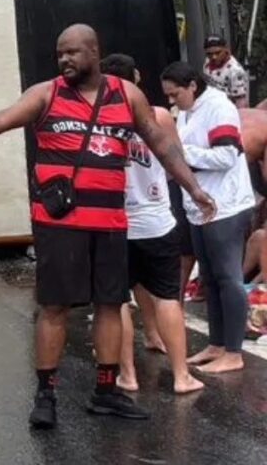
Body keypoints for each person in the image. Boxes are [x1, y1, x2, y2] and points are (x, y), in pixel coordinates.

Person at [0, 24, 214, 429]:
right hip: (61, 223)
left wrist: (193, 188)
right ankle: (45, 394)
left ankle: (106, 391)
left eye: (72, 52)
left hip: (111, 222)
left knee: (110, 304)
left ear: (94, 51)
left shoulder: (126, 94)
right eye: (59, 54)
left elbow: (161, 143)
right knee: (55, 307)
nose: (64, 59)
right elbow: (2, 119)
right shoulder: (46, 94)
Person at [99, 54, 204, 394]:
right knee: (167, 298)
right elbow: (176, 161)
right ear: (137, 77)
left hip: (114, 223)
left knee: (117, 302)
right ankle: (181, 375)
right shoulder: (158, 116)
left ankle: (128, 375)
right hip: (156, 219)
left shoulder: (98, 119)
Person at [162, 61, 254, 374]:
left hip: (225, 205)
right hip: (199, 206)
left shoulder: (219, 108)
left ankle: (234, 352)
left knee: (228, 278)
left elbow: (227, 155)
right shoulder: (188, 110)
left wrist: (182, 155)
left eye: (175, 94)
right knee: (209, 279)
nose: (172, 101)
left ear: (192, 86)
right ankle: (216, 344)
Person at [203, 36, 249, 108]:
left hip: (227, 109)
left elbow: (241, 101)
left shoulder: (235, 71)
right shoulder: (208, 61)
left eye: (218, 53)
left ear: (226, 49)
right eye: (209, 54)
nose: (214, 57)